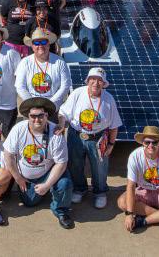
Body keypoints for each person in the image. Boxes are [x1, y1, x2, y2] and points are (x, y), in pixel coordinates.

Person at [3, 97, 74, 228]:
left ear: (46, 116)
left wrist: (46, 185)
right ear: (27, 116)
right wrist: (18, 178)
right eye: (33, 116)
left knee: (65, 183)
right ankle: (48, 190)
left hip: (48, 171)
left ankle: (61, 210)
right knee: (29, 202)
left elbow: (61, 163)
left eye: (41, 115)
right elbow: (8, 155)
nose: (37, 119)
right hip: (27, 177)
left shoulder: (56, 133)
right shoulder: (18, 129)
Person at [60, 67, 121, 209]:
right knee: (75, 165)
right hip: (76, 136)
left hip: (98, 138)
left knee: (100, 167)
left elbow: (114, 125)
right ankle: (79, 189)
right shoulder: (77, 93)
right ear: (88, 81)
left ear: (104, 84)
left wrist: (111, 144)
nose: (96, 83)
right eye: (93, 79)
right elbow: (63, 113)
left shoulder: (108, 99)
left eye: (100, 80)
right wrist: (61, 125)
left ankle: (100, 192)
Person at [15, 28, 72, 106]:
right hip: (32, 108)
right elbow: (20, 87)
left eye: (44, 42)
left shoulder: (60, 62)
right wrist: (34, 105)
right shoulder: (24, 62)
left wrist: (49, 104)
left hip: (53, 107)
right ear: (32, 46)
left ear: (49, 44)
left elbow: (65, 86)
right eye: (36, 42)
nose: (40, 45)